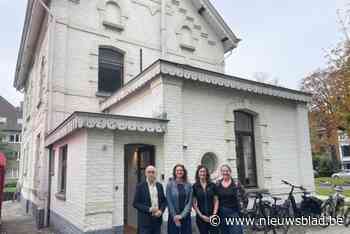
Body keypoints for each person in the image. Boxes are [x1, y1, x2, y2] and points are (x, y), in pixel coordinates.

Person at [133, 165, 167, 234]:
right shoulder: (140, 186)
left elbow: (164, 201)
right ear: (145, 174)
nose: (151, 174)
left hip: (157, 220)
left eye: (153, 172)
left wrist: (161, 211)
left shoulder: (159, 186)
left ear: (155, 174)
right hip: (145, 221)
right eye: (149, 172)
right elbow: (135, 203)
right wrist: (149, 209)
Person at [216, 164, 245, 234]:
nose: (225, 173)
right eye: (223, 171)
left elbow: (244, 195)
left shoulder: (236, 183)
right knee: (224, 232)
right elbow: (215, 198)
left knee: (236, 231)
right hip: (221, 213)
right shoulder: (218, 184)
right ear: (221, 172)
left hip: (234, 212)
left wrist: (242, 208)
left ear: (230, 172)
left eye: (227, 171)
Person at [166, 164, 193, 234]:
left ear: (184, 172)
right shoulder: (170, 185)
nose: (179, 172)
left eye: (181, 170)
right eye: (177, 170)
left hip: (185, 216)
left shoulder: (189, 185)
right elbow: (169, 202)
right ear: (175, 172)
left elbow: (189, 202)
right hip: (173, 216)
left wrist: (182, 215)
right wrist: (175, 216)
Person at [193, 165, 219, 234]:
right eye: (201, 171)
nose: (202, 173)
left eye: (204, 171)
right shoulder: (195, 186)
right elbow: (194, 203)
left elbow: (216, 200)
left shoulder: (212, 185)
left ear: (207, 173)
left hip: (213, 216)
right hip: (201, 217)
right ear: (198, 174)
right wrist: (201, 215)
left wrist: (214, 214)